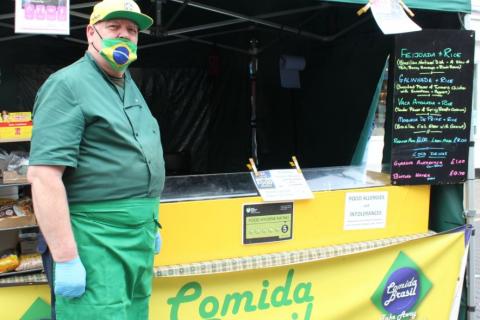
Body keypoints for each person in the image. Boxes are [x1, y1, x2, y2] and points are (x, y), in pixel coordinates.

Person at [27, 0, 165, 319]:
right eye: (114, 27)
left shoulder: (128, 83)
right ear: (92, 32)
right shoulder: (67, 85)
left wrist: (146, 217)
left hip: (136, 237)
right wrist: (65, 258)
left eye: (132, 30)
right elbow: (44, 176)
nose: (125, 35)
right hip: (93, 239)